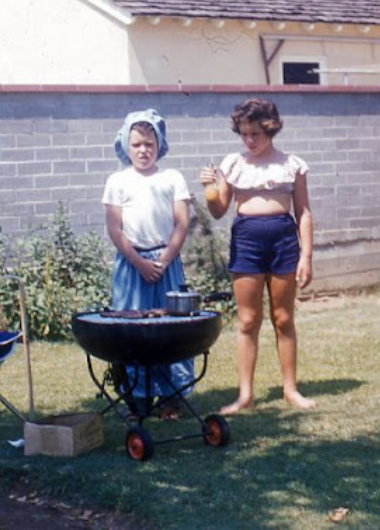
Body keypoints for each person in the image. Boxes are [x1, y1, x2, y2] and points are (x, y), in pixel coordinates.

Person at [201, 98, 315, 414]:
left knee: (283, 318)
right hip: (247, 240)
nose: (249, 140)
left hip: (283, 240)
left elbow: (303, 212)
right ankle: (245, 395)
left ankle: (290, 390)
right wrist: (210, 189)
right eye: (244, 134)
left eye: (256, 134)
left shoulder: (292, 165)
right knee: (249, 319)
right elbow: (219, 210)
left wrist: (306, 256)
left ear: (271, 129)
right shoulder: (232, 165)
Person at [102, 108, 193, 420]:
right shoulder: (117, 181)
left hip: (166, 264)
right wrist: (139, 262)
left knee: (171, 330)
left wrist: (164, 259)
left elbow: (182, 223)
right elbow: (115, 228)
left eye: (149, 144)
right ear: (126, 146)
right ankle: (137, 399)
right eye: (137, 144)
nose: (143, 151)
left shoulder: (172, 178)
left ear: (160, 144)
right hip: (132, 266)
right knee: (133, 331)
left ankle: (171, 399)